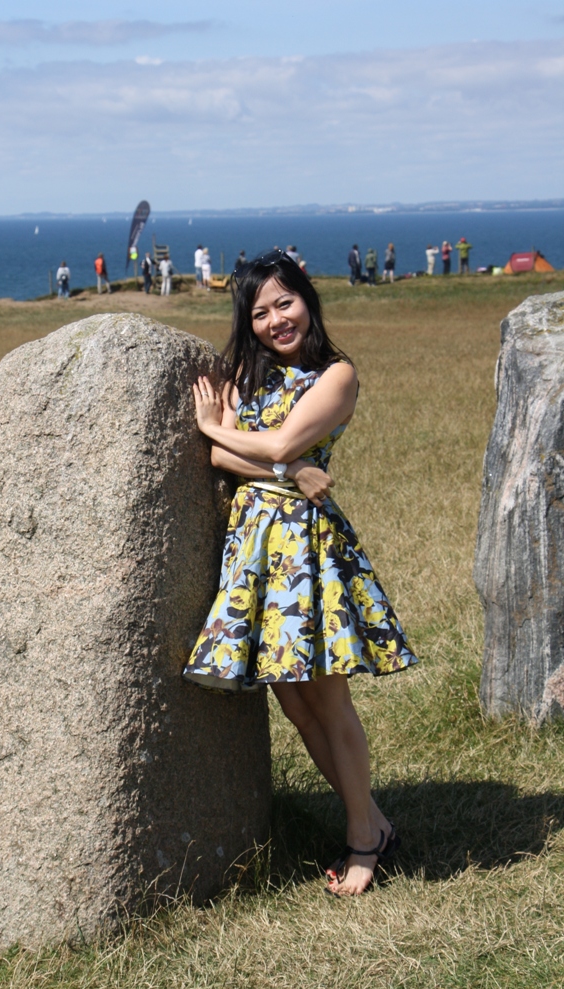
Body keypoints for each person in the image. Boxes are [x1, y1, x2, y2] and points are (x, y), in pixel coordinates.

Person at [183, 250, 417, 896]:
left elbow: (279, 441)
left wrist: (261, 452)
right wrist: (289, 473)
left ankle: (363, 841)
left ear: (307, 300)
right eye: (259, 311)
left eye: (285, 302)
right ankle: (370, 818)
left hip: (308, 549)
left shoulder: (337, 376)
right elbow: (223, 458)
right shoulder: (241, 373)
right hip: (255, 551)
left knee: (329, 697)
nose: (275, 319)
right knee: (294, 702)